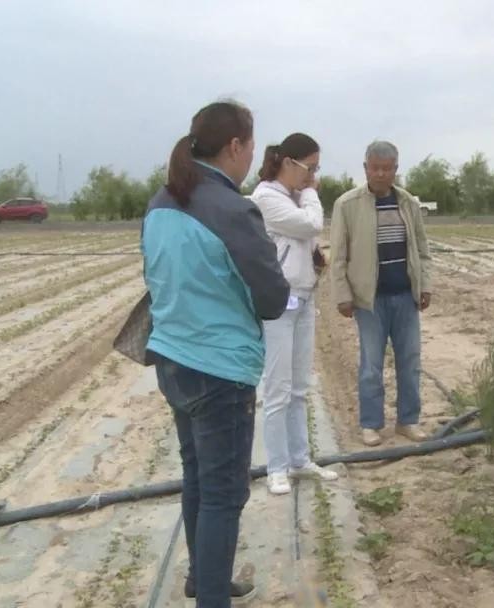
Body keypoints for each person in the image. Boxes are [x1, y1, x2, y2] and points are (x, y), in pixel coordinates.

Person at [143, 101, 290, 607]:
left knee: (199, 478)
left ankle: (202, 579)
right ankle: (211, 595)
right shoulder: (232, 209)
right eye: (251, 146)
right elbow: (271, 299)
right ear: (234, 146)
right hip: (219, 370)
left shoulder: (161, 202)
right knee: (224, 494)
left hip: (172, 360)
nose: (251, 155)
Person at [250, 133, 339, 496]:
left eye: (317, 170)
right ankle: (276, 467)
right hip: (279, 303)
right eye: (310, 168)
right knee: (278, 389)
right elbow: (311, 224)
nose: (312, 176)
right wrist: (312, 194)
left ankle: (300, 460)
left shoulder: (293, 198)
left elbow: (308, 239)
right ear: (289, 163)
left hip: (303, 299)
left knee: (299, 387)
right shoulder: (267, 197)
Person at [331, 140, 433, 447]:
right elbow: (338, 256)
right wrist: (342, 295)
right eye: (375, 168)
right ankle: (371, 424)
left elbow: (423, 250)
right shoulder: (347, 205)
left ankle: (407, 421)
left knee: (410, 361)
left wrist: (425, 285)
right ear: (365, 168)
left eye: (386, 169)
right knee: (371, 365)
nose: (380, 174)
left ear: (395, 170)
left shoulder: (408, 203)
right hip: (369, 300)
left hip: (404, 296)